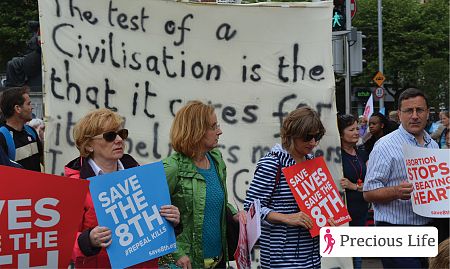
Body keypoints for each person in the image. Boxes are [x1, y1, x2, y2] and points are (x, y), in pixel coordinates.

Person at [64, 108, 180, 268]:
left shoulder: (142, 175)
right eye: (110, 136)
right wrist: (88, 240)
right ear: (89, 145)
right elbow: (63, 240)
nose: (119, 140)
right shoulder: (75, 185)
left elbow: (155, 228)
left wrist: (172, 220)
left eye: (122, 134)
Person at [244, 106, 334, 269]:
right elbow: (251, 208)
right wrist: (287, 217)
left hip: (312, 256)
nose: (313, 142)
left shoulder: (311, 161)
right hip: (281, 258)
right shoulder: (272, 164)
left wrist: (327, 216)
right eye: (308, 137)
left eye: (317, 136)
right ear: (292, 133)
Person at [363, 88, 439, 269]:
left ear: (428, 113)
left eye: (419, 110)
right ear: (399, 115)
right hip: (394, 230)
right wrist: (396, 191)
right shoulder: (385, 146)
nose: (414, 116)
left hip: (428, 229)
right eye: (408, 111)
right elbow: (368, 192)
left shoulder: (433, 145)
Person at [162, 101, 239, 269]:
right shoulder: (172, 168)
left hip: (218, 262)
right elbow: (150, 217)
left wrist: (234, 214)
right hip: (185, 264)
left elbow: (217, 201)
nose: (219, 131)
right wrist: (176, 253)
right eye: (213, 127)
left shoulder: (216, 159)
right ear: (195, 131)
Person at [337, 114, 369, 269]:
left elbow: (371, 182)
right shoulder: (335, 157)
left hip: (360, 210)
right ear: (341, 133)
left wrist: (354, 187)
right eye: (351, 129)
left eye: (357, 128)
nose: (356, 132)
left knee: (357, 255)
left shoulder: (361, 153)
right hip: (342, 213)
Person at [0, 87, 42, 171]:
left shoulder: (31, 131)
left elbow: (42, 159)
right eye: (28, 104)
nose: (31, 108)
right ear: (17, 108)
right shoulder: (2, 137)